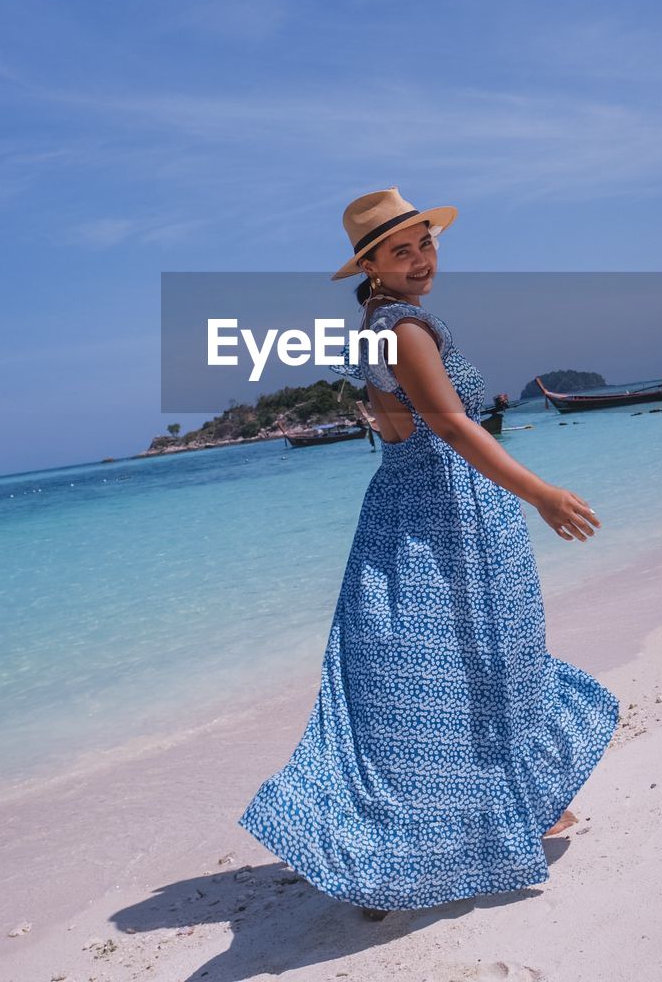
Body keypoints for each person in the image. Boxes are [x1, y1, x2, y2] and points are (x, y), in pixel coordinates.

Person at [237, 187, 619, 919]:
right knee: (483, 663)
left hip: (414, 512)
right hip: (447, 515)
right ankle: (410, 843)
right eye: (402, 250)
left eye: (427, 244)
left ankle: (482, 820)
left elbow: (402, 429)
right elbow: (447, 426)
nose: (422, 260)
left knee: (449, 673)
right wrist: (540, 492)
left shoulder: (383, 329)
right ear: (372, 267)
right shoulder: (404, 328)